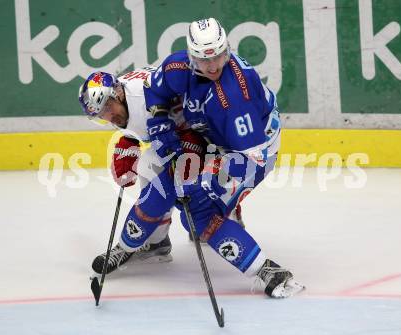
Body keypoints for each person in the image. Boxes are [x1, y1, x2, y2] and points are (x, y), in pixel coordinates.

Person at [143, 18, 304, 298]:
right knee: (186, 195)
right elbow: (156, 88)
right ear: (191, 56)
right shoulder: (178, 66)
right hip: (216, 138)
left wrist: (209, 187)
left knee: (200, 214)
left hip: (253, 149)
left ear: (227, 48)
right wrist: (159, 120)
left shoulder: (234, 98)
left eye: (218, 55)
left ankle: (269, 272)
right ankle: (224, 210)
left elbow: (251, 160)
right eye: (205, 59)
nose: (214, 65)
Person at [78, 68, 243, 275]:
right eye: (102, 115)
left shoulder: (143, 97)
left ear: (117, 93)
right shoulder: (122, 100)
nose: (109, 117)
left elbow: (193, 108)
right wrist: (129, 141)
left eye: (108, 108)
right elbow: (141, 124)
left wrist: (193, 144)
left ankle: (226, 213)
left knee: (182, 184)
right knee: (152, 172)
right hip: (178, 133)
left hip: (212, 134)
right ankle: (156, 242)